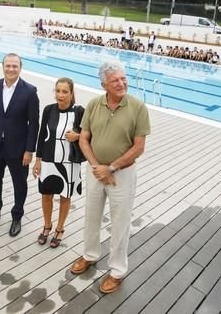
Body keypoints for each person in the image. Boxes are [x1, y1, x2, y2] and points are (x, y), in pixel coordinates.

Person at [69, 61, 151, 295]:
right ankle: (90, 255)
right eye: (116, 80)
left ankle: (116, 271)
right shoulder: (94, 104)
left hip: (122, 175)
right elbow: (84, 138)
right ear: (104, 83)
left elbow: (139, 147)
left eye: (123, 78)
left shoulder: (137, 107)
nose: (122, 83)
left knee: (120, 223)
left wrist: (111, 168)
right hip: (96, 172)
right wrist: (97, 167)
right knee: (91, 216)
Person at [0, 53, 40, 237]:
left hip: (19, 149)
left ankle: (17, 216)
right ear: (3, 66)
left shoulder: (29, 91)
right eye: (8, 66)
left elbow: (34, 124)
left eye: (15, 66)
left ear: (20, 68)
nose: (11, 69)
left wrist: (29, 150)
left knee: (19, 184)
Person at [33, 78, 84, 249]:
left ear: (71, 93)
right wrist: (37, 160)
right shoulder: (49, 110)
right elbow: (41, 135)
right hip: (48, 158)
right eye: (58, 91)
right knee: (46, 194)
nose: (60, 95)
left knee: (64, 196)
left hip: (68, 161)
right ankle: (47, 226)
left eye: (65, 92)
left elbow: (89, 134)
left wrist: (77, 136)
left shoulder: (79, 112)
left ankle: (60, 228)